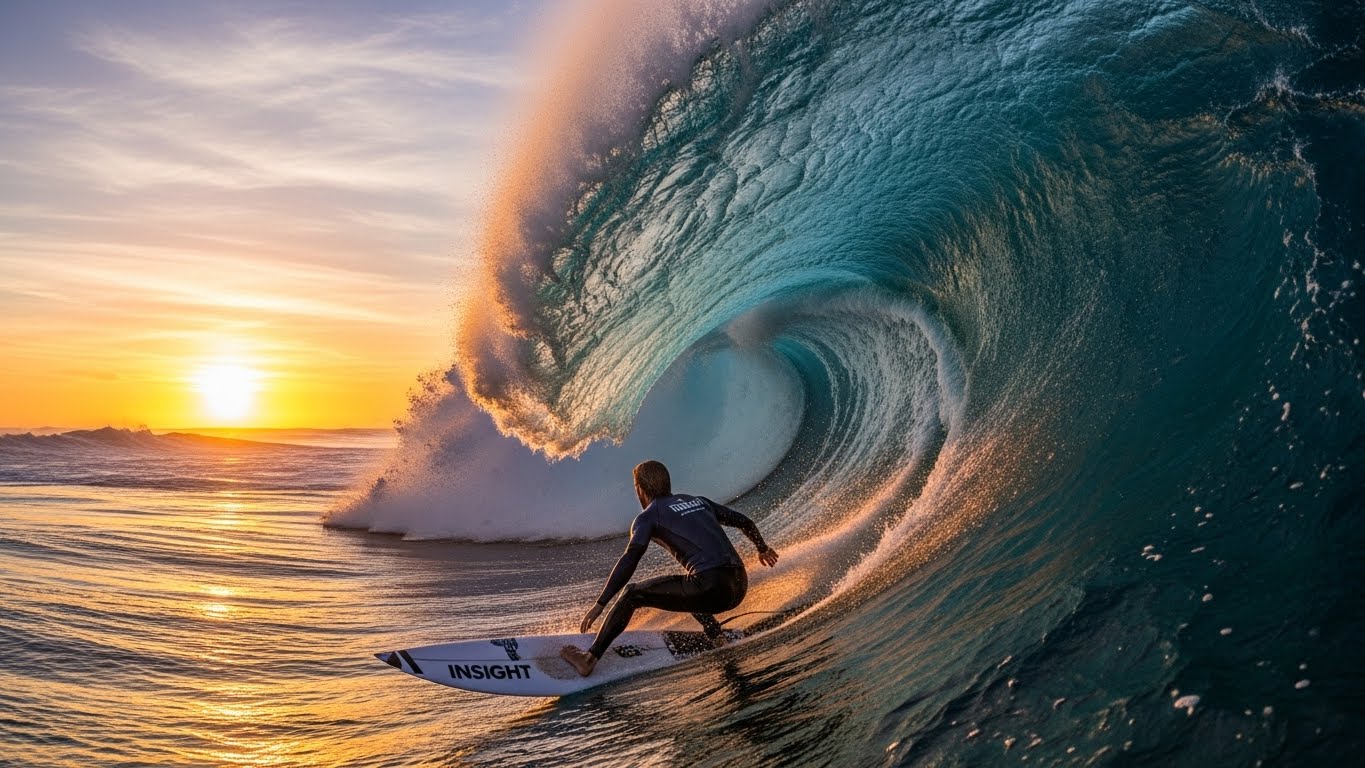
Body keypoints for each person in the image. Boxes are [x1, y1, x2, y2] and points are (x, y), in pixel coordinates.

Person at [560, 460, 780, 677]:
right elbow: (744, 521)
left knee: (632, 594)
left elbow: (631, 558)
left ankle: (588, 659)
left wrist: (601, 603)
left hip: (711, 589)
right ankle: (717, 637)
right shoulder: (698, 501)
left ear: (640, 489)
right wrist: (762, 548)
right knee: (687, 585)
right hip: (739, 584)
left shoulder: (648, 517)